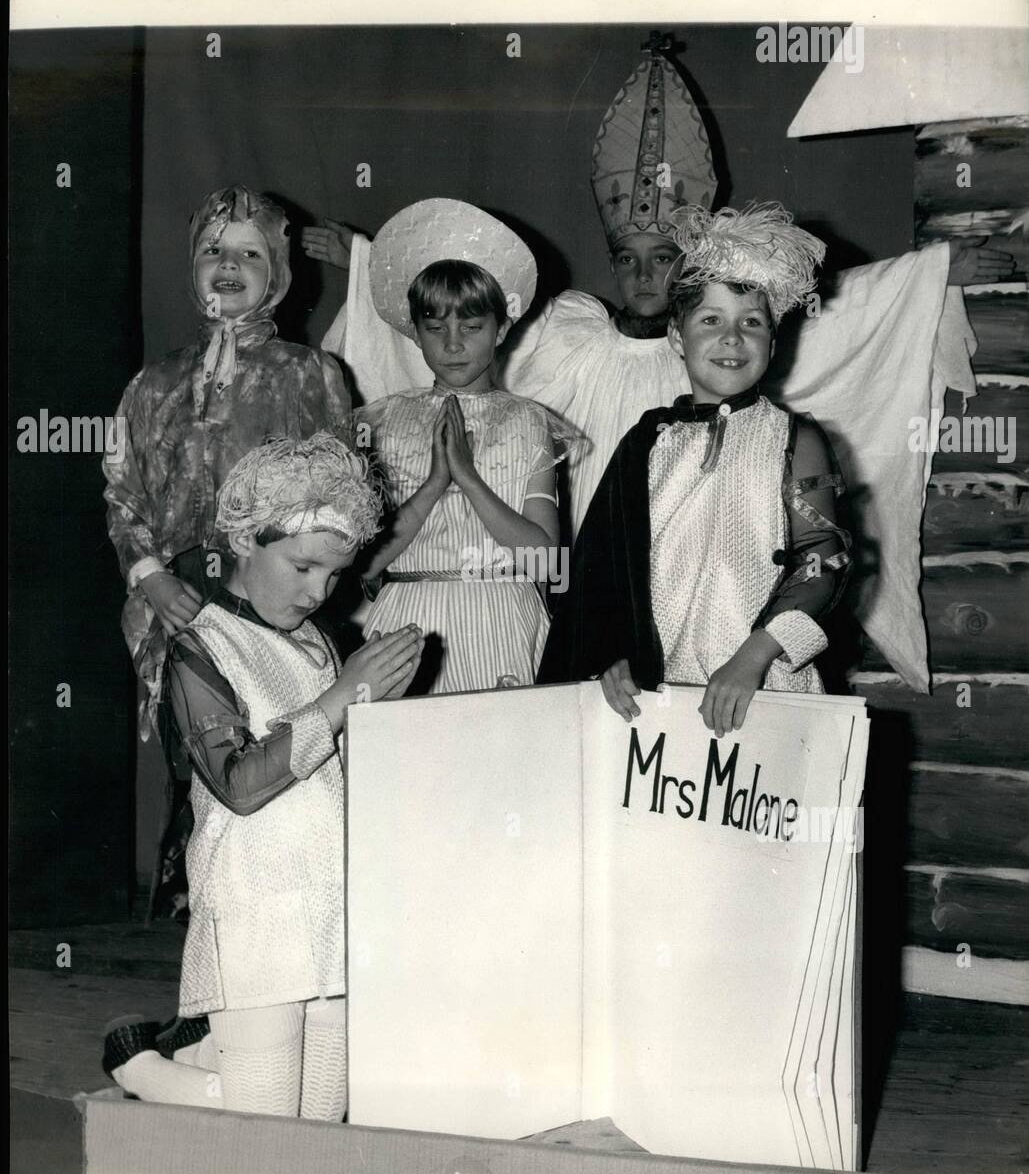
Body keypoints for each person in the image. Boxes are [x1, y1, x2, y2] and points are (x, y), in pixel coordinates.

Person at [302, 37, 1013, 691]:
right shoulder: (564, 338)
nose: (643, 277)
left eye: (662, 260)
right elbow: (459, 318)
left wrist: (931, 272)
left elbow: (833, 309)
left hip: (747, 638)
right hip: (613, 617)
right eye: (627, 260)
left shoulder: (760, 391)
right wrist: (367, 261)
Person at [102, 433, 424, 1120]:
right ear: (247, 540)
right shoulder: (199, 645)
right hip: (257, 905)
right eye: (304, 567)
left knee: (325, 1113)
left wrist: (375, 712)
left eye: (334, 576)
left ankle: (202, 1053)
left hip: (333, 897)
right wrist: (341, 701)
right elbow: (240, 786)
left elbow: (334, 768)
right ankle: (138, 1062)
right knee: (266, 1118)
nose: (319, 593)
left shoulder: (316, 641)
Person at [102, 185, 352, 915]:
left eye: (250, 253)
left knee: (272, 736)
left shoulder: (310, 374)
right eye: (214, 250)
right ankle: (202, 914)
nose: (229, 265)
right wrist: (149, 578)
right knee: (199, 751)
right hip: (180, 592)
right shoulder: (153, 383)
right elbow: (122, 490)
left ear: (277, 270)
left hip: (269, 592)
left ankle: (281, 908)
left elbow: (336, 485)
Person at [537, 202, 851, 737]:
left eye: (751, 323)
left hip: (765, 687)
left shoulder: (795, 440)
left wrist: (755, 656)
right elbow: (602, 577)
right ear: (678, 338)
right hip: (658, 695)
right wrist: (611, 657)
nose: (733, 338)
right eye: (711, 321)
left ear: (773, 343)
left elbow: (825, 560)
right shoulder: (646, 443)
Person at [353, 199, 581, 694]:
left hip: (502, 620)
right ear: (414, 333)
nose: (453, 344)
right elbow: (366, 564)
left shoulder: (528, 421)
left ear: (501, 329)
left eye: (472, 328)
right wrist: (436, 483)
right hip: (405, 627)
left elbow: (546, 560)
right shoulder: (384, 423)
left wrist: (469, 478)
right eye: (435, 329)